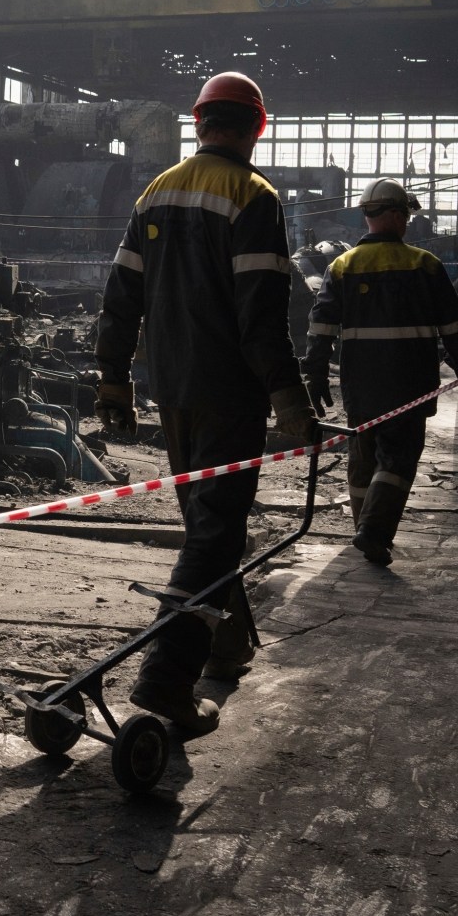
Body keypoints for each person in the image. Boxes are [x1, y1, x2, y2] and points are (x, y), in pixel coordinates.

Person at [91, 71, 315, 739]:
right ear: (258, 127)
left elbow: (120, 296)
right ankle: (166, 687)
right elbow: (261, 318)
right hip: (229, 392)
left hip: (173, 390)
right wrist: (289, 398)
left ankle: (225, 643)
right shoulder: (254, 195)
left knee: (207, 526)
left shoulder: (156, 191)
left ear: (198, 123)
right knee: (216, 532)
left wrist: (113, 382)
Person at [303, 179, 458, 567]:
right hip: (410, 381)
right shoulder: (424, 265)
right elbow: (451, 324)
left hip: (360, 381)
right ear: (398, 215)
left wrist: (314, 373)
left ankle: (363, 526)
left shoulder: (342, 265)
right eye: (407, 215)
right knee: (398, 458)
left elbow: (322, 325)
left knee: (363, 455)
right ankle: (374, 531)